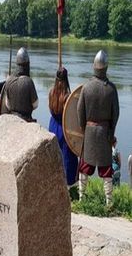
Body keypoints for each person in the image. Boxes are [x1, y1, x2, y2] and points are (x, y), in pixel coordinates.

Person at [77, 50, 119, 205]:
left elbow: (79, 112)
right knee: (106, 169)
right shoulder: (111, 89)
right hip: (104, 132)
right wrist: (111, 132)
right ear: (106, 67)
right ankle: (109, 202)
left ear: (94, 66)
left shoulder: (86, 87)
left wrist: (84, 129)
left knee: (85, 166)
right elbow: (115, 115)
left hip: (89, 131)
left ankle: (82, 199)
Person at [48, 67, 78, 186]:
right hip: (64, 128)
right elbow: (71, 116)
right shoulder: (67, 96)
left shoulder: (51, 93)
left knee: (55, 155)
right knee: (67, 159)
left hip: (52, 126)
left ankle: (54, 181)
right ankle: (67, 185)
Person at [0, 47, 38, 122]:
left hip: (12, 119)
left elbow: (8, 105)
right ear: (27, 65)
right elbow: (35, 104)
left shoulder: (9, 80)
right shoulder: (29, 82)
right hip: (26, 120)